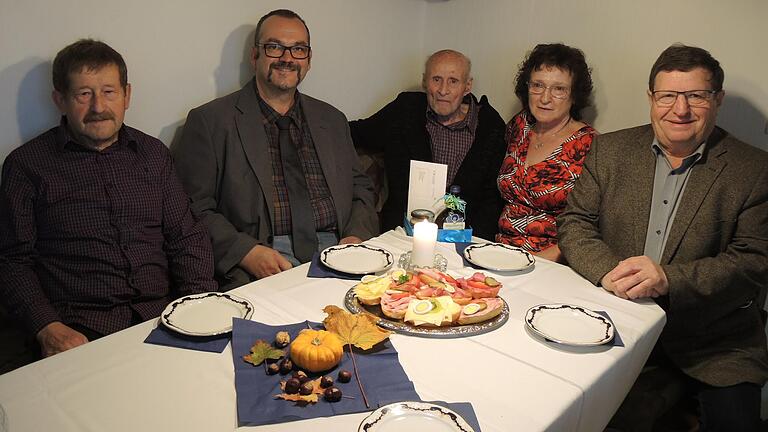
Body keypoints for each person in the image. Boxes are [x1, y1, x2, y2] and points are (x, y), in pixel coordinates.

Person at [558, 44, 768, 431]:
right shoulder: (611, 149)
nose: (681, 109)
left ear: (717, 99)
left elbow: (754, 261)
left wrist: (669, 279)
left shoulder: (754, 168)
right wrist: (609, 272)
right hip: (618, 321)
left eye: (696, 96)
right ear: (652, 98)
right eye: (668, 95)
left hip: (715, 343)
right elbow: (575, 223)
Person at [0, 39, 217, 369]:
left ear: (127, 95)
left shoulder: (153, 154)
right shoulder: (27, 166)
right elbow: (12, 261)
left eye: (109, 92)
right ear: (60, 100)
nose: (98, 106)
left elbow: (186, 237)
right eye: (84, 94)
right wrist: (48, 328)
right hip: (81, 333)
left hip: (162, 318)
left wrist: (196, 304)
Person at [173, 9, 378, 288]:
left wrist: (355, 239)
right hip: (262, 260)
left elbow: (361, 188)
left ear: (308, 60)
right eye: (274, 47)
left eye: (298, 50)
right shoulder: (210, 122)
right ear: (255, 55)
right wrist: (245, 252)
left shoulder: (332, 119)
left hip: (338, 253)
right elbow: (191, 207)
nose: (287, 58)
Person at [349, 49, 506, 240]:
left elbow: (492, 199)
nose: (443, 90)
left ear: (467, 86)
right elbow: (356, 133)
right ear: (425, 81)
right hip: (403, 235)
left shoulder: (490, 127)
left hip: (463, 239)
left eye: (453, 81)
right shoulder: (404, 111)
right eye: (436, 79)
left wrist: (474, 246)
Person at [496, 43, 596, 263]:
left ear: (574, 95)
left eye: (559, 89)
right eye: (538, 85)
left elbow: (589, 224)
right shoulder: (519, 126)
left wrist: (536, 263)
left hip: (551, 262)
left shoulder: (590, 145)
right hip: (497, 252)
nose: (545, 98)